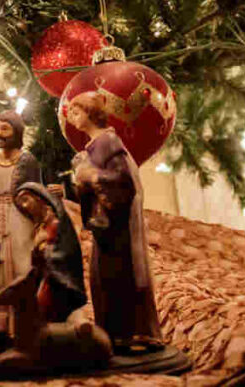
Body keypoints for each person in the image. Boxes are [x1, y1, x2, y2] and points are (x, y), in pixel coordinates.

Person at [67, 91, 163, 353]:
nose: (72, 116)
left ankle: (133, 336)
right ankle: (114, 335)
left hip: (117, 230)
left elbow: (123, 182)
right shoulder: (93, 146)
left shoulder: (108, 142)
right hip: (105, 228)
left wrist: (92, 177)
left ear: (91, 112)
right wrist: (82, 183)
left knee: (119, 278)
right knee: (103, 280)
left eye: (77, 110)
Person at [0, 111, 42, 301]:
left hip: (22, 220)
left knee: (23, 262)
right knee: (0, 267)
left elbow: (37, 194)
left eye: (5, 128)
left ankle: (27, 311)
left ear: (17, 131)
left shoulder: (27, 161)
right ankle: (4, 314)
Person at [12, 182, 87, 323]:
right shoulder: (40, 225)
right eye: (20, 204)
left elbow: (64, 252)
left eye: (26, 200)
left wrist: (44, 251)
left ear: (39, 198)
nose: (24, 206)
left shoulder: (55, 223)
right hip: (45, 277)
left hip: (57, 280)